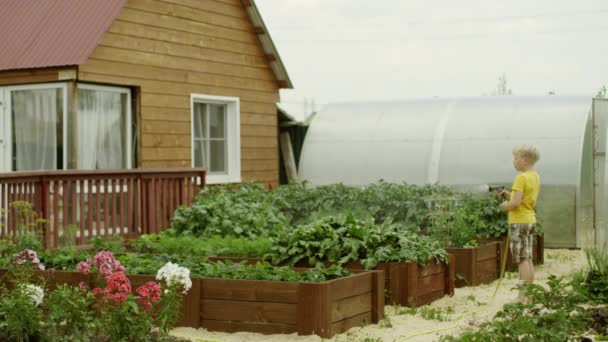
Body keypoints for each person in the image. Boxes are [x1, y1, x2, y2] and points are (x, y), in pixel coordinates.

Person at [498, 144, 541, 303]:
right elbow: (523, 200)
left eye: (515, 158)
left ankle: (523, 298)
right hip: (529, 220)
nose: (513, 161)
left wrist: (505, 206)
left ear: (524, 160)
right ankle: (528, 296)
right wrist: (508, 194)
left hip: (519, 222)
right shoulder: (534, 176)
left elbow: (515, 204)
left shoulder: (521, 178)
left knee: (521, 260)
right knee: (527, 258)